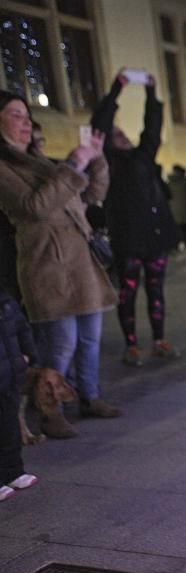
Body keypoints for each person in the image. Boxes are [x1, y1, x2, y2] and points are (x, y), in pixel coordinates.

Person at [0, 90, 120, 438]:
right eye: (16, 114)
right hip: (48, 266)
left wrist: (96, 161)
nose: (26, 122)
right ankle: (50, 409)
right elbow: (34, 207)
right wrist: (72, 166)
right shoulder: (5, 169)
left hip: (79, 262)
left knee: (90, 339)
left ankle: (89, 395)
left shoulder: (40, 162)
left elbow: (89, 198)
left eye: (26, 116)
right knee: (61, 343)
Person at [91, 70, 181, 367]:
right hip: (128, 241)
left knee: (156, 291)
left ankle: (159, 339)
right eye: (117, 135)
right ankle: (131, 344)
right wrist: (117, 88)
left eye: (123, 133)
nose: (123, 137)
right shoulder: (109, 163)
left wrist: (151, 95)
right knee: (127, 293)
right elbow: (100, 127)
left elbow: (152, 129)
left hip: (154, 238)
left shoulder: (143, 156)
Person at [0, 286, 40, 501]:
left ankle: (13, 470)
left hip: (10, 377)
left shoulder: (6, 301)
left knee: (9, 428)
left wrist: (28, 355)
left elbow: (22, 329)